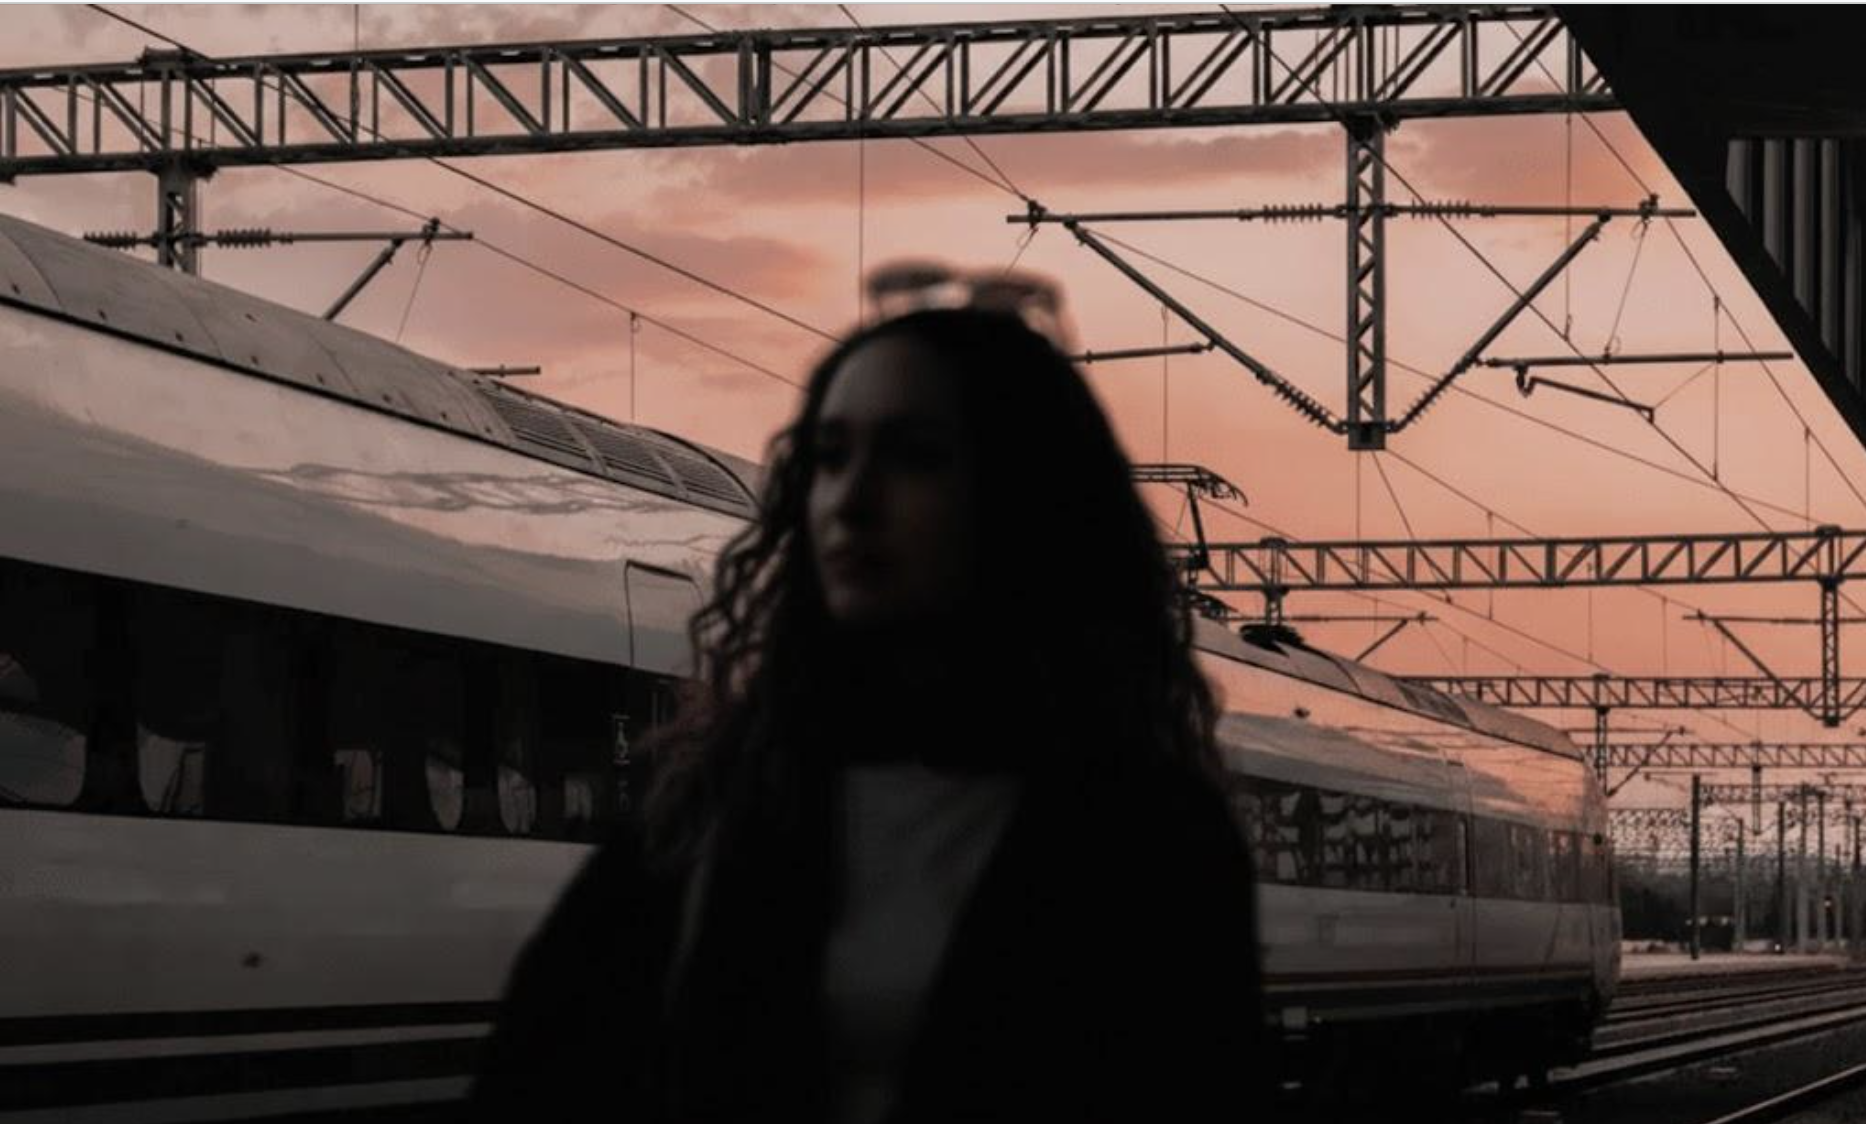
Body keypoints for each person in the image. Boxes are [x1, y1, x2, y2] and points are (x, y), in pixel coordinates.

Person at [468, 273, 1270, 1123]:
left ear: (1023, 497)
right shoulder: (710, 812)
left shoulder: (1150, 841)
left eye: (914, 455)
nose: (852, 501)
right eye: (830, 456)